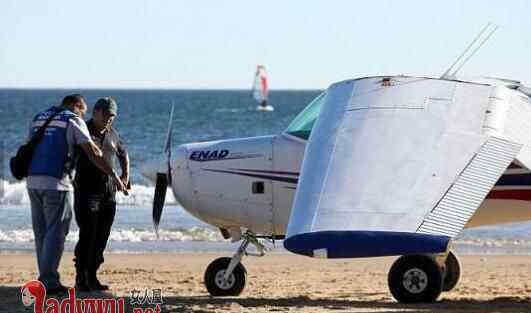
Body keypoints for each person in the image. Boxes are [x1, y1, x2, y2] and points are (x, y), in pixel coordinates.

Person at [26, 94, 107, 295]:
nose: (84, 116)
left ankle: (46, 276)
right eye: (84, 111)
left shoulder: (38, 117)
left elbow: (30, 146)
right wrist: (110, 171)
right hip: (57, 182)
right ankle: (49, 281)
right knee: (56, 231)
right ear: (77, 105)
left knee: (42, 232)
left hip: (32, 181)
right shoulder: (72, 118)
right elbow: (91, 150)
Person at [74, 97, 130, 291]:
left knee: (102, 236)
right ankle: (81, 277)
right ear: (95, 112)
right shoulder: (83, 132)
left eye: (112, 116)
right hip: (87, 190)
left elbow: (123, 153)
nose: (109, 119)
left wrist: (125, 176)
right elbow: (92, 156)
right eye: (105, 114)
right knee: (88, 234)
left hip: (108, 192)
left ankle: (92, 275)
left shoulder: (113, 133)